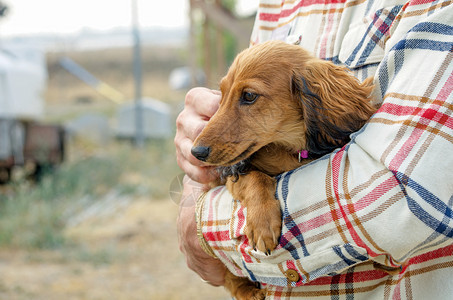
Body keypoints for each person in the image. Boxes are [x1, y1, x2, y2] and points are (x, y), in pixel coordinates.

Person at [176, 0, 453, 298]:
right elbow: (228, 172)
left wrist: (203, 225)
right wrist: (196, 178)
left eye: (249, 96)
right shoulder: (275, 4)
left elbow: (404, 198)